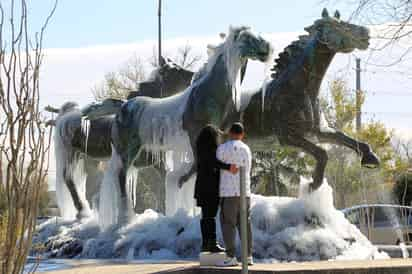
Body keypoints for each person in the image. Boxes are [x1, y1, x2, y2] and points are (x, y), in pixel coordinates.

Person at [192, 125, 238, 253]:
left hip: (202, 188)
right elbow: (214, 162)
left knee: (206, 216)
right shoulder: (209, 150)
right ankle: (211, 243)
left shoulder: (201, 149)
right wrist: (229, 167)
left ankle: (206, 243)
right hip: (210, 188)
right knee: (210, 216)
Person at [217, 122, 253, 266]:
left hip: (228, 192)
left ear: (230, 133)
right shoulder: (247, 149)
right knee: (245, 224)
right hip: (245, 192)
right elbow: (248, 168)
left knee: (228, 224)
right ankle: (248, 256)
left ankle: (231, 256)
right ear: (242, 135)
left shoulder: (223, 148)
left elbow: (216, 164)